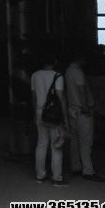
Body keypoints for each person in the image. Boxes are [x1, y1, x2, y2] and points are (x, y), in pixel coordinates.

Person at [31, 53, 68, 186]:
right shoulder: (58, 76)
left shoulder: (35, 75)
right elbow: (60, 96)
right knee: (56, 145)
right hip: (54, 115)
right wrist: (65, 116)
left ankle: (40, 176)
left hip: (39, 112)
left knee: (41, 144)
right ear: (55, 61)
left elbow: (34, 97)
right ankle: (57, 178)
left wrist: (35, 113)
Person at [66, 54, 104, 182]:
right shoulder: (78, 72)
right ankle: (88, 170)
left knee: (74, 140)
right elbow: (81, 91)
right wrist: (86, 107)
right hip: (82, 110)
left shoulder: (68, 71)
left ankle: (76, 166)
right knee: (86, 142)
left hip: (72, 109)